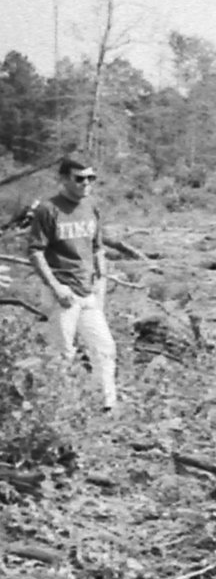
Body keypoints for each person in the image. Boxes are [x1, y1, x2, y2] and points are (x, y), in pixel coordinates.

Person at [28, 158, 118, 413]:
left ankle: (105, 405)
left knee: (104, 347)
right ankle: (61, 410)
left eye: (91, 178)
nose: (86, 183)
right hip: (61, 293)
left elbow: (97, 247)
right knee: (62, 354)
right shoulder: (48, 210)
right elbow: (35, 252)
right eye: (79, 178)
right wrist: (56, 287)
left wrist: (102, 278)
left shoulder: (91, 207)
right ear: (65, 179)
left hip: (87, 292)